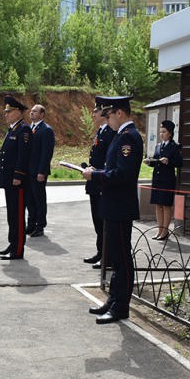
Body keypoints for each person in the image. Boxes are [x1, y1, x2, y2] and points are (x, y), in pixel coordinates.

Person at [82, 95, 143, 324]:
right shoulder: (121, 137)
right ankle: (114, 300)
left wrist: (94, 175)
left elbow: (122, 175)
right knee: (116, 257)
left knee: (122, 258)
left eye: (108, 116)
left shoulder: (129, 138)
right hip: (113, 204)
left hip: (120, 206)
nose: (107, 121)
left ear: (120, 113)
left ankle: (121, 306)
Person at [0, 96, 32, 260]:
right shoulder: (13, 129)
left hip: (17, 181)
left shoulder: (24, 130)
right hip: (9, 180)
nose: (6, 114)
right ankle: (12, 243)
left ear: (18, 112)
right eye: (5, 112)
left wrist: (18, 175)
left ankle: (17, 250)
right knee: (11, 214)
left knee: (17, 215)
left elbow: (23, 156)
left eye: (9, 111)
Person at [84, 96, 116, 270]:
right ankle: (100, 252)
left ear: (104, 113)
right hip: (95, 182)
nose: (93, 114)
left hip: (102, 181)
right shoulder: (101, 131)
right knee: (97, 221)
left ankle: (107, 256)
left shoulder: (111, 133)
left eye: (95, 111)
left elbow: (108, 161)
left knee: (103, 222)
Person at [146, 120, 183, 241]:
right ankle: (159, 229)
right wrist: (149, 162)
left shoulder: (174, 147)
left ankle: (165, 231)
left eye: (164, 132)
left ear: (170, 133)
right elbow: (157, 162)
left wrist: (169, 162)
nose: (161, 134)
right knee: (158, 204)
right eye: (160, 131)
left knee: (166, 205)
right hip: (157, 179)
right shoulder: (158, 146)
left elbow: (179, 163)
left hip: (167, 179)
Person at [27, 104, 55, 237]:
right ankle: (31, 224)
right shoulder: (29, 128)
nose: (31, 113)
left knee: (39, 199)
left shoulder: (46, 130)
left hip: (38, 172)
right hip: (28, 171)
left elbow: (46, 153)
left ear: (42, 114)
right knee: (29, 199)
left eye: (35, 111)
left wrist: (42, 172)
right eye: (31, 111)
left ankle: (40, 225)